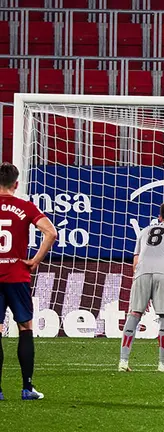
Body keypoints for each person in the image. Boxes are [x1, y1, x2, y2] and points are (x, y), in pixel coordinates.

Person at [0, 162, 57, 400]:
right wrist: (35, 260)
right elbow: (52, 232)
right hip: (17, 275)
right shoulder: (25, 206)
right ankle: (27, 387)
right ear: (16, 183)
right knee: (25, 328)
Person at [119, 201, 164, 373]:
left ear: (159, 217)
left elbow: (135, 259)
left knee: (134, 314)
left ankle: (123, 361)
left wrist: (139, 278)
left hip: (142, 272)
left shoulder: (145, 231)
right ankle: (163, 364)